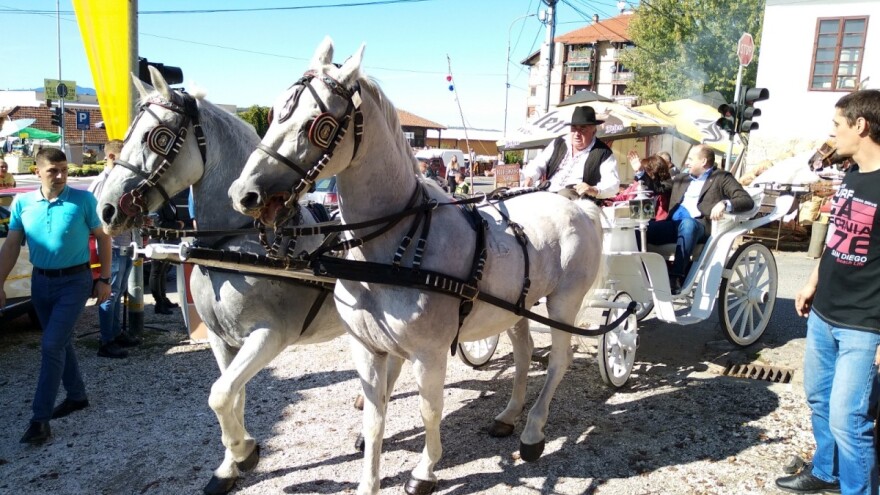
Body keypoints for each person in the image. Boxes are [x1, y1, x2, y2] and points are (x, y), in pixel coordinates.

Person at [775, 89, 880, 495]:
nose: (832, 134)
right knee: (820, 400)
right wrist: (812, 282)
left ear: (861, 126)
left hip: (864, 326)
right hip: (824, 315)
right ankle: (826, 472)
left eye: (837, 126)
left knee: (849, 420)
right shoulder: (853, 174)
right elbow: (838, 237)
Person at [0, 147, 112, 445]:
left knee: (50, 344)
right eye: (53, 170)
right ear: (38, 171)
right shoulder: (22, 203)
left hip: (75, 282)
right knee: (59, 342)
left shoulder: (83, 199)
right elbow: (11, 246)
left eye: (64, 169)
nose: (61, 176)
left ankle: (39, 420)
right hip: (40, 283)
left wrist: (104, 279)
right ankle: (77, 396)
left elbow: (103, 237)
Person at [645, 144, 753, 292]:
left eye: (690, 159)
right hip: (674, 225)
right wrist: (640, 172)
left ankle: (676, 277)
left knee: (688, 224)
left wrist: (724, 203)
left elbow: (746, 200)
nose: (686, 162)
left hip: (700, 226)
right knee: (641, 229)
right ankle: (642, 273)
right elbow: (658, 188)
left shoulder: (721, 177)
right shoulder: (682, 178)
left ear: (703, 161)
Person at [87, 140, 140, 358]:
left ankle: (115, 332)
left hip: (125, 242)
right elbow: (97, 217)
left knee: (118, 292)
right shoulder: (102, 182)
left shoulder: (119, 181)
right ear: (111, 157)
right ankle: (106, 340)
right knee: (109, 293)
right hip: (113, 245)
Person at [522, 105, 620, 202]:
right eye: (574, 128)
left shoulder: (603, 152)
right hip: (547, 193)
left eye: (582, 129)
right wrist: (530, 177)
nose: (577, 134)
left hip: (579, 202)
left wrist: (593, 189)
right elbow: (538, 163)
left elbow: (613, 184)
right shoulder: (559, 142)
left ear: (593, 131)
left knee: (564, 194)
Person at [150, 190, 189, 315]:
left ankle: (164, 298)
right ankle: (159, 302)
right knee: (157, 272)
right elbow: (159, 223)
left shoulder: (169, 201)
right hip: (159, 241)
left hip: (170, 242)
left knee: (163, 271)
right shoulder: (157, 203)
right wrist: (177, 224)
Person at [612, 154, 672, 220]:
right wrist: (607, 200)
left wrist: (641, 173)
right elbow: (622, 197)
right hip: (630, 222)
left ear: (653, 171)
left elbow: (654, 189)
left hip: (653, 224)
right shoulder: (637, 184)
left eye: (644, 170)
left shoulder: (665, 185)